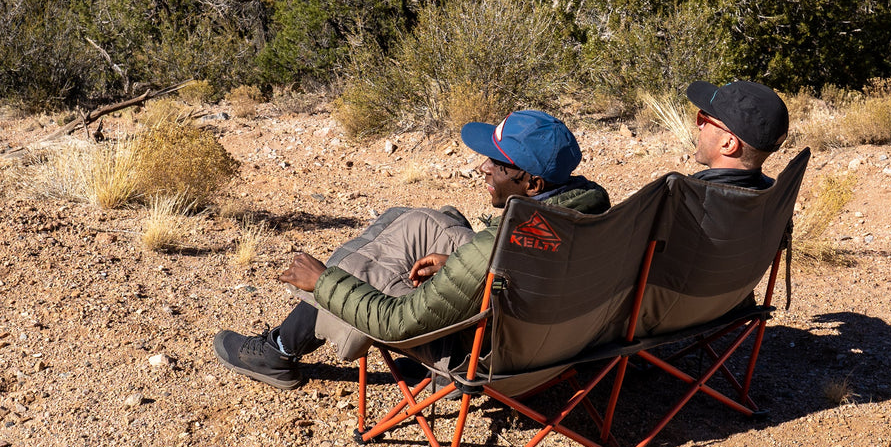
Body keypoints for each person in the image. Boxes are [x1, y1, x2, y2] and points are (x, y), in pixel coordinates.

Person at [213, 110, 610, 390]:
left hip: (486, 355)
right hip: (555, 337)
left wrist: (323, 282)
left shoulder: (497, 248)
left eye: (497, 162)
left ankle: (281, 347)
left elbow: (396, 323)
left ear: (534, 185)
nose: (483, 168)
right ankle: (312, 319)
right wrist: (456, 263)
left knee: (352, 276)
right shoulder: (595, 214)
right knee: (422, 219)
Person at [687, 79, 790, 188]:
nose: (698, 125)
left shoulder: (686, 200)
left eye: (703, 119)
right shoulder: (772, 193)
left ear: (728, 144)